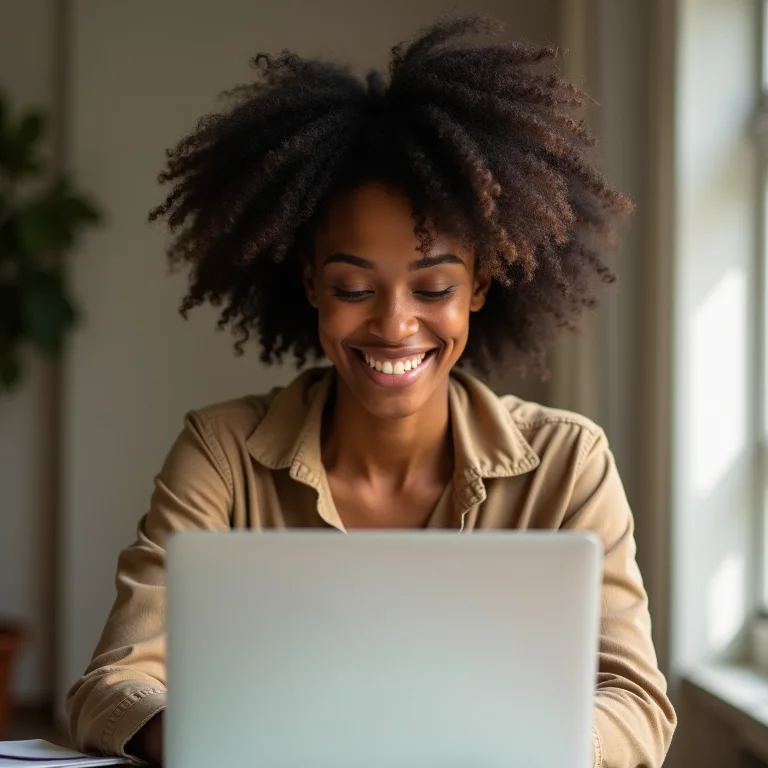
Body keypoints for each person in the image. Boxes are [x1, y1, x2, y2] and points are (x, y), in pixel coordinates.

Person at [65, 16, 676, 767]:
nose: (394, 324)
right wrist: (204, 737)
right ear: (310, 285)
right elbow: (112, 684)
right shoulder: (221, 455)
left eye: (434, 287)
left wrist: (523, 748)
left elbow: (636, 700)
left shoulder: (568, 462)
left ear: (480, 286)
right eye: (354, 286)